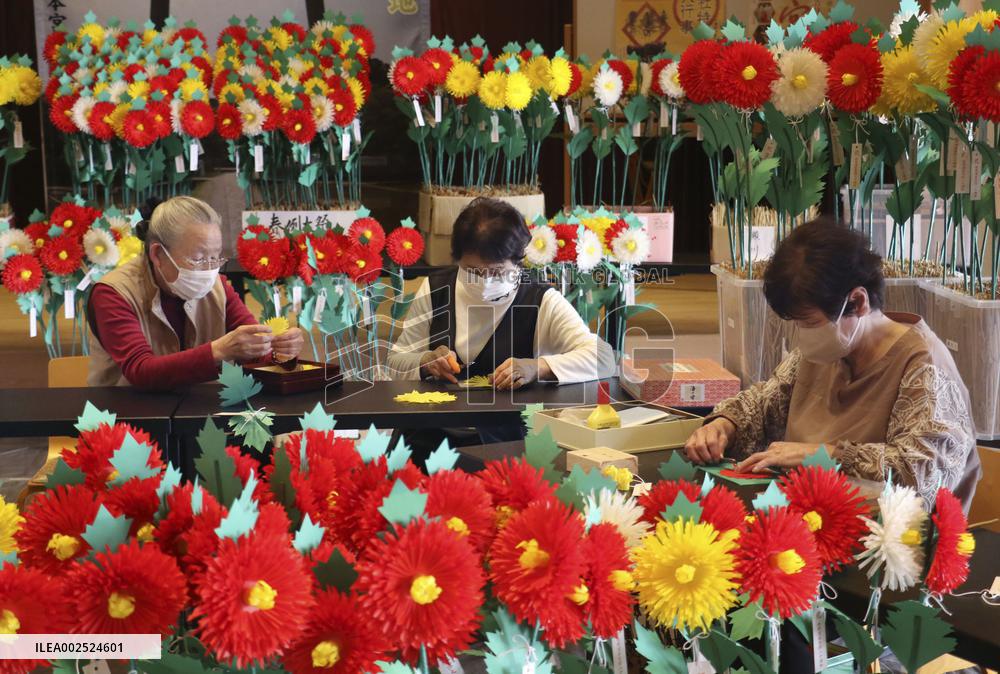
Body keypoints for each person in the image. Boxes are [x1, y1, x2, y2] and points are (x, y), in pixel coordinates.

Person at [685, 219, 981, 511]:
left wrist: (824, 456)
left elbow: (921, 476)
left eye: (809, 323)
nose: (802, 334)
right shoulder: (829, 349)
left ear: (858, 301)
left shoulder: (924, 367)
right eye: (796, 322)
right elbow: (765, 404)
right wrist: (725, 425)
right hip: (808, 517)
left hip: (888, 535)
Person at [387, 197, 616, 452]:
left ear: (518, 260)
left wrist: (538, 367)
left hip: (506, 441)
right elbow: (395, 362)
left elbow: (603, 358)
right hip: (430, 435)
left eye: (496, 271)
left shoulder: (539, 299)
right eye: (472, 271)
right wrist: (425, 361)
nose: (484, 282)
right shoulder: (435, 288)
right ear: (458, 259)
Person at [87, 196, 304, 389]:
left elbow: (254, 353)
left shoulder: (217, 287)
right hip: (127, 416)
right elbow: (140, 370)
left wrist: (278, 351)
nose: (209, 269)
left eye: (215, 257)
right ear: (158, 254)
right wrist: (217, 351)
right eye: (198, 259)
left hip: (201, 413)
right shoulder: (113, 293)